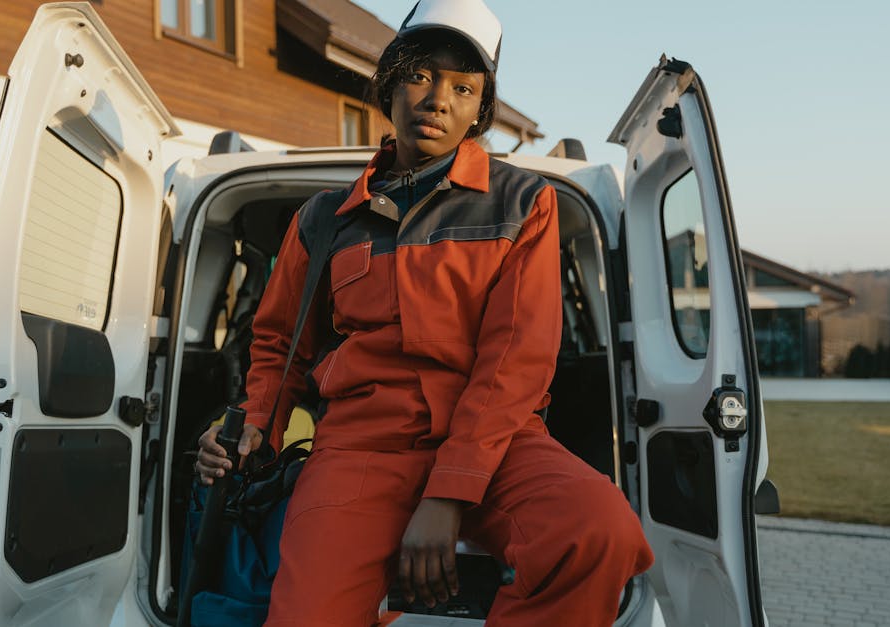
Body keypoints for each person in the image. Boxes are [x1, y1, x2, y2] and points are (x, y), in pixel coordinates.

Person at [195, 1, 653, 624]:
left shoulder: (524, 202)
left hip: (497, 443)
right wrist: (252, 427)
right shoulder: (323, 219)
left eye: (463, 87)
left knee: (598, 533)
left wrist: (448, 492)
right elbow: (278, 345)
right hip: (358, 450)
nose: (438, 99)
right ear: (389, 86)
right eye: (420, 75)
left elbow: (516, 359)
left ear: (478, 110)